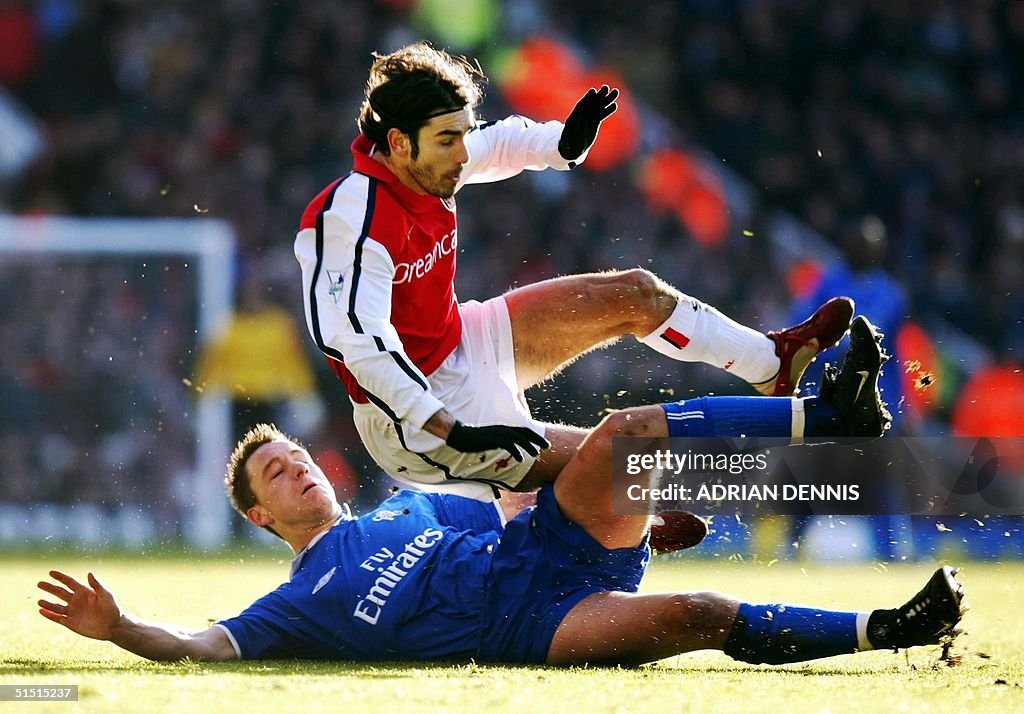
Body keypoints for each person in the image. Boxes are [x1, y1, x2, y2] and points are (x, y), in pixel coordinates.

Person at [36, 325, 956, 666]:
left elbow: (521, 496)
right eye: (275, 473)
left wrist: (640, 502)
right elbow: (202, 645)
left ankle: (827, 413)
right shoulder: (293, 606)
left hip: (546, 550)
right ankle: (889, 628)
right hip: (529, 626)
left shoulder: (408, 502)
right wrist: (119, 628)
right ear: (259, 516)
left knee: (627, 434)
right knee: (703, 613)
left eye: (298, 458)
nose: (300, 468)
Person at [295, 41, 857, 500]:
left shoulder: (430, 164)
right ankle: (604, 523)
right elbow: (356, 344)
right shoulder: (348, 219)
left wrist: (562, 141)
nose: (463, 154)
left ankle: (771, 364)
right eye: (449, 140)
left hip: (462, 338)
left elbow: (499, 144)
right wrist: (445, 424)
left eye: (463, 134)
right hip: (412, 419)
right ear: (397, 143)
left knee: (636, 294)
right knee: (614, 458)